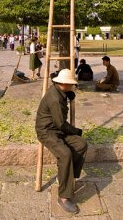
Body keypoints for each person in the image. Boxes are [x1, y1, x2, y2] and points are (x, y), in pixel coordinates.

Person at [35, 68, 88, 214]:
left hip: (58, 130)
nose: (72, 87)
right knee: (65, 154)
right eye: (70, 85)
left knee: (81, 144)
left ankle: (68, 179)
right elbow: (61, 124)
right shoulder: (55, 99)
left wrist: (68, 95)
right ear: (63, 83)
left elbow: (60, 125)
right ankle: (64, 197)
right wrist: (77, 131)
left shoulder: (60, 91)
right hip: (47, 131)